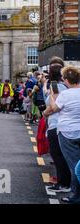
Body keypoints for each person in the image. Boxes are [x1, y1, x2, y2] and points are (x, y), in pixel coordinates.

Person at [43, 66, 80, 204]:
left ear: (66, 80)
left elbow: (54, 108)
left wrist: (53, 96)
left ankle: (76, 196)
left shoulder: (65, 94)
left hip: (67, 133)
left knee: (74, 166)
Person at [42, 62, 70, 193]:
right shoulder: (64, 85)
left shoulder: (56, 86)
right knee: (61, 155)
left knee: (57, 155)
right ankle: (64, 182)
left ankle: (63, 184)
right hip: (60, 123)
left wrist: (45, 113)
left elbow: (55, 105)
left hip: (56, 124)